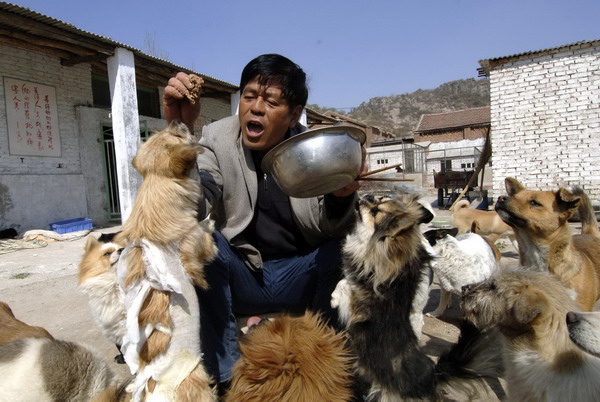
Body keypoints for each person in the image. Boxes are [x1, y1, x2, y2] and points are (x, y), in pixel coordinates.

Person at [162, 53, 365, 386]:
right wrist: (179, 133)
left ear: (294, 114)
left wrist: (340, 196)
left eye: (271, 101)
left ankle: (326, 370)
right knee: (203, 242)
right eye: (249, 96)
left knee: (343, 250)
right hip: (244, 276)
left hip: (299, 276)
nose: (255, 108)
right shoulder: (216, 138)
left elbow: (329, 228)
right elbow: (194, 207)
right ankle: (226, 378)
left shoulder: (314, 149)